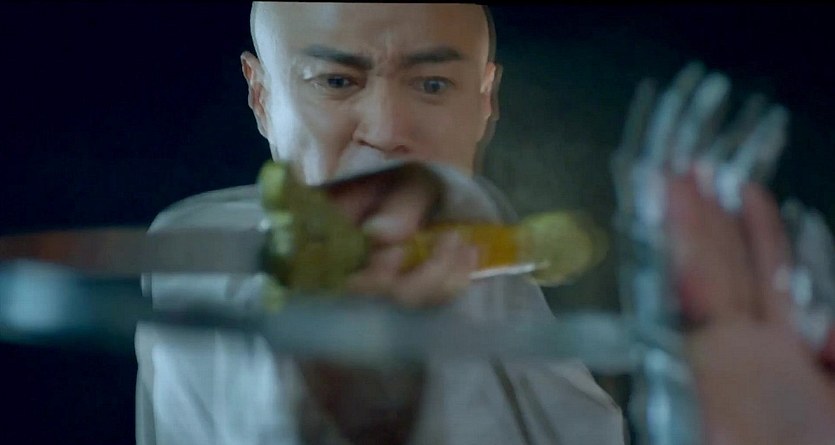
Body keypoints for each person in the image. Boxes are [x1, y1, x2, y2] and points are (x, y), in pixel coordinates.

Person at [135, 3, 626, 445]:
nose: (387, 131)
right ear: (262, 97)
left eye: (432, 85)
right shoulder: (207, 253)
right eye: (336, 82)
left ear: (484, 100)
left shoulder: (499, 280)